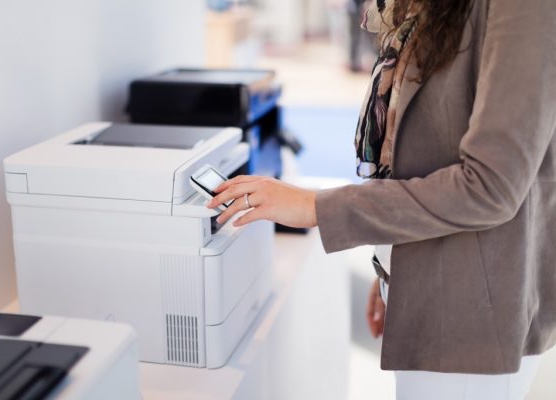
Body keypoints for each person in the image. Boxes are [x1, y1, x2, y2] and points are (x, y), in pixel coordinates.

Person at [208, 0, 556, 398]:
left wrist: (316, 207)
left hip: (474, 315)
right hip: (428, 276)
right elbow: (422, 145)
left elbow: (491, 187)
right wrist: (393, 259)